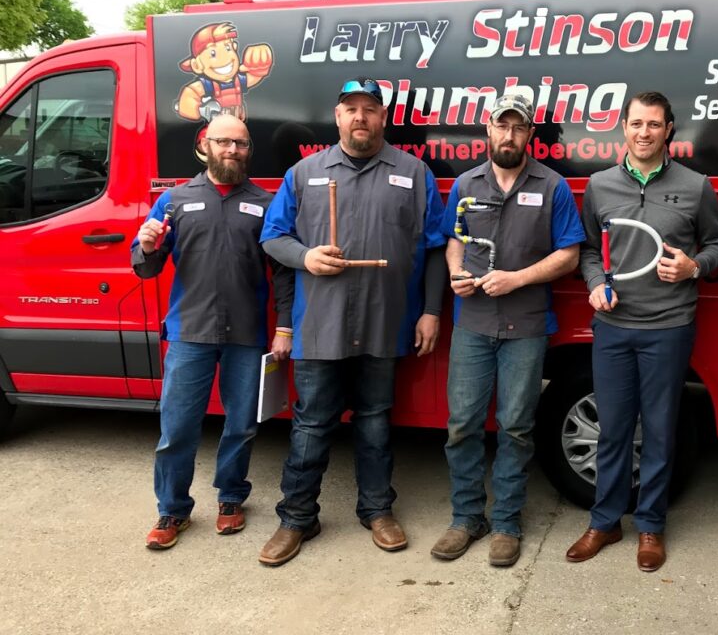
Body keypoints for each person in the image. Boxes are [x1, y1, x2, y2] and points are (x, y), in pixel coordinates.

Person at [257, 76, 446, 567]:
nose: (360, 117)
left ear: (384, 117)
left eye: (370, 108)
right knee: (312, 425)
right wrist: (306, 257)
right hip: (321, 326)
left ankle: (377, 511)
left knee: (376, 422)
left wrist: (430, 311)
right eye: (351, 109)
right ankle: (297, 518)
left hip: (386, 323)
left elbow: (434, 249)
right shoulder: (303, 173)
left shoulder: (415, 173)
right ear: (337, 117)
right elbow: (272, 237)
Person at [567, 91, 718, 572]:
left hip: (669, 326)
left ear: (668, 130)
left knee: (660, 431)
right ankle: (605, 522)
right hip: (613, 326)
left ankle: (652, 528)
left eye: (654, 124)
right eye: (636, 123)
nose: (644, 132)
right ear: (623, 128)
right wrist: (595, 283)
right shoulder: (599, 185)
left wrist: (694, 267)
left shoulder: (696, 186)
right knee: (613, 431)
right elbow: (589, 251)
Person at [430, 93, 585, 568]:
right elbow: (453, 239)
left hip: (527, 326)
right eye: (503, 126)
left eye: (519, 128)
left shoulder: (553, 187)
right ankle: (466, 518)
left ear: (530, 136)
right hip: (472, 325)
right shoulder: (465, 185)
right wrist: (457, 272)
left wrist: (517, 278)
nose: (510, 135)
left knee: (517, 427)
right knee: (462, 426)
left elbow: (570, 255)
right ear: (488, 131)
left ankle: (507, 523)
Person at [131, 113, 293, 550]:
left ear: (248, 151)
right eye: (224, 142)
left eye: (240, 144)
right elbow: (146, 266)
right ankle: (172, 510)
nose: (232, 151)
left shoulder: (265, 202)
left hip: (246, 333)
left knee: (241, 424)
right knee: (178, 427)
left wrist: (283, 327)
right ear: (205, 145)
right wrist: (145, 247)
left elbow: (281, 273)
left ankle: (231, 497)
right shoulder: (174, 201)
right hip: (190, 333)